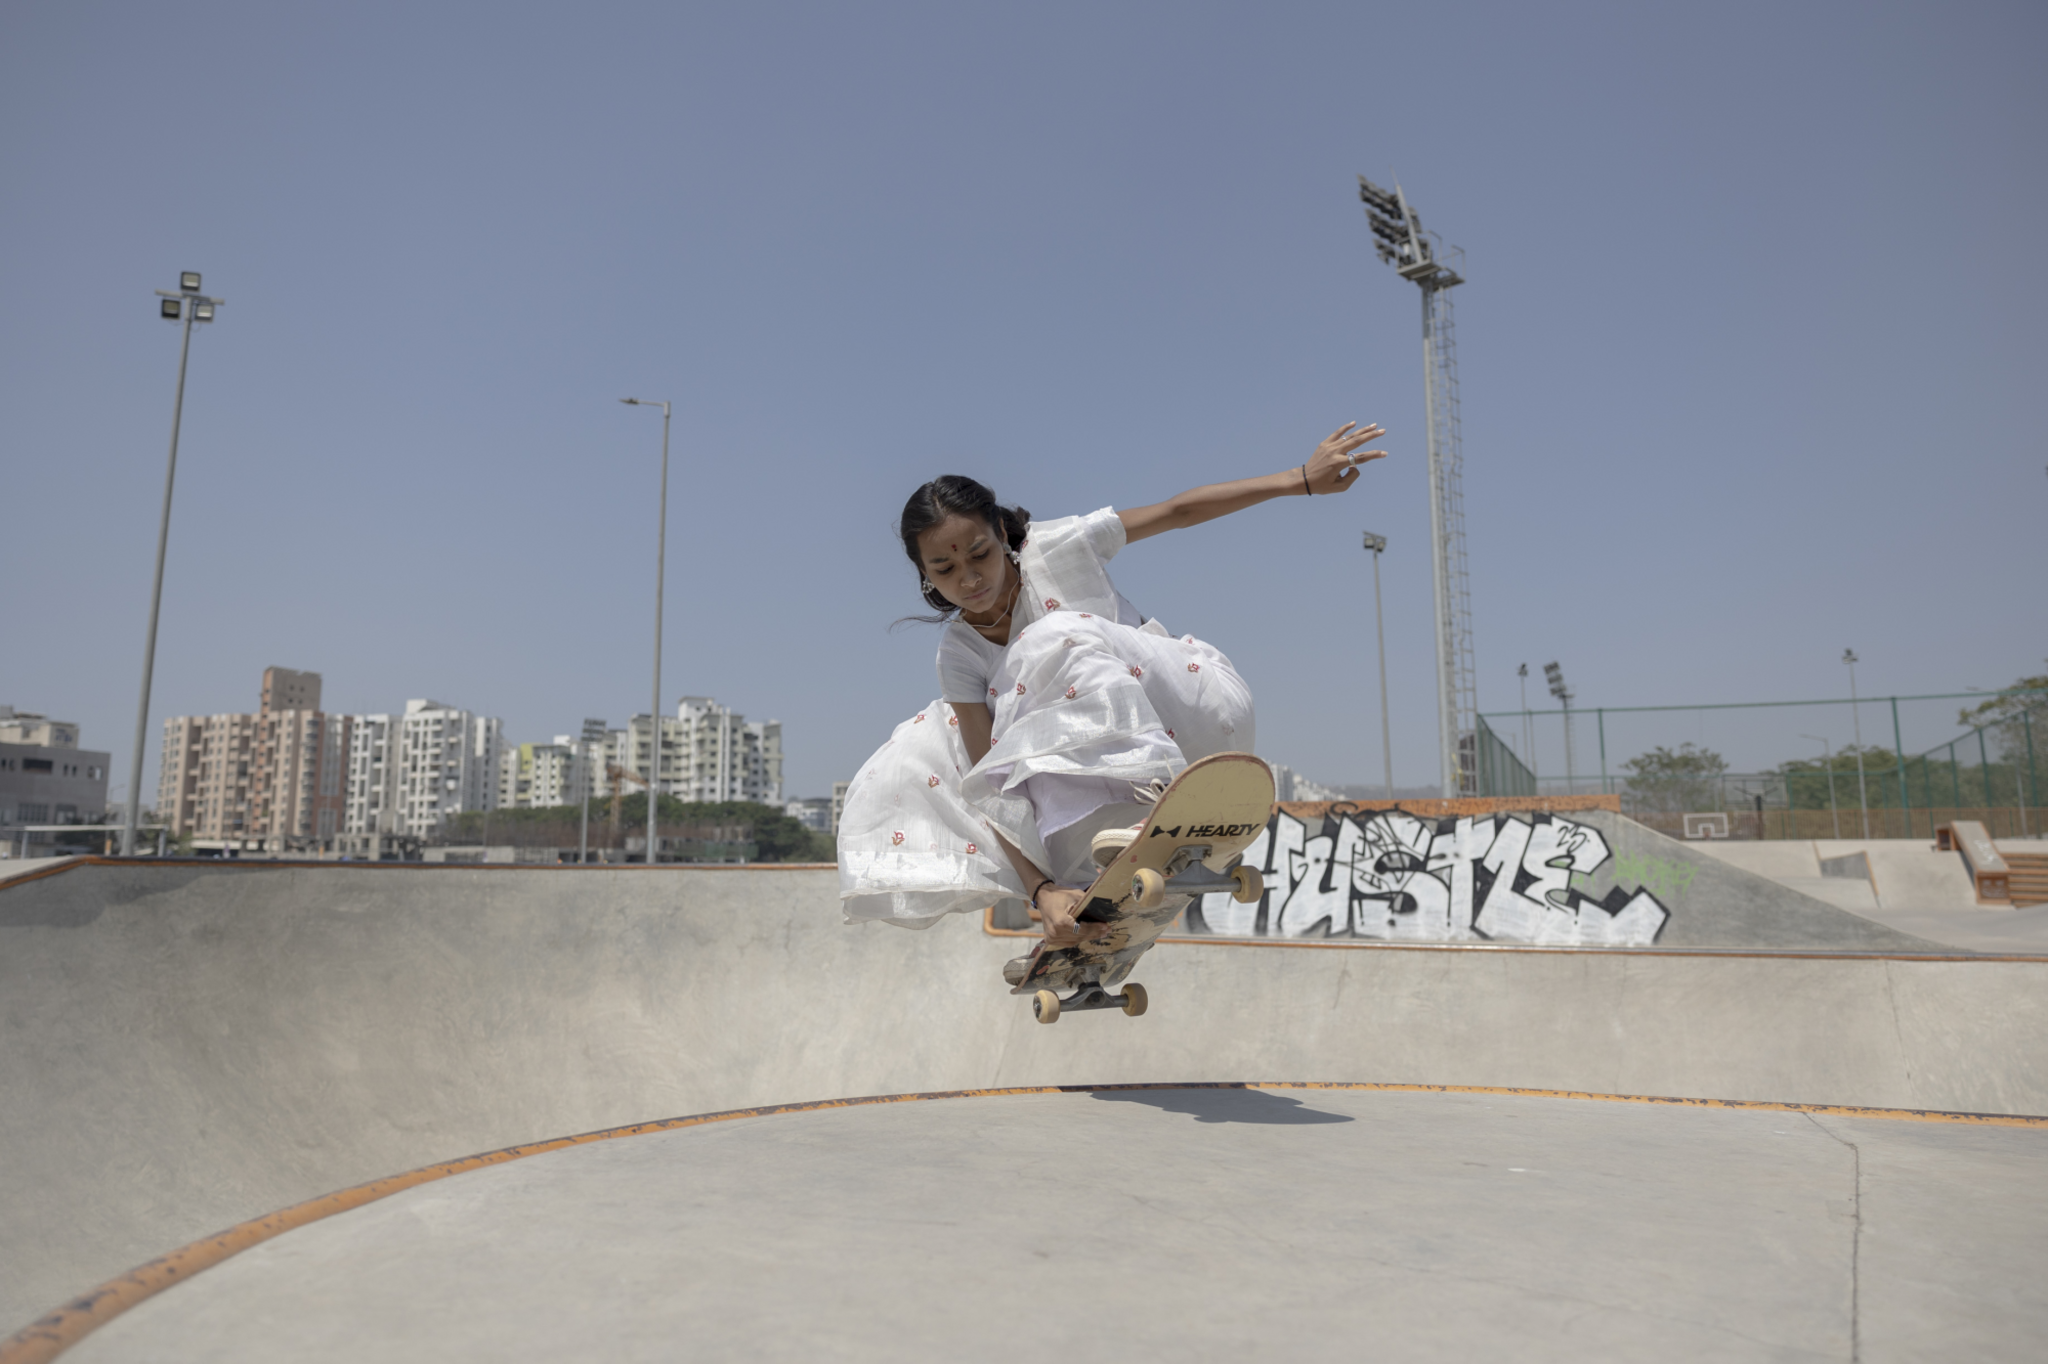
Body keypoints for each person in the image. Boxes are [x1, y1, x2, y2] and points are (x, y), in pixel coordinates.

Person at [837, 422, 1387, 950]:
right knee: (928, 746)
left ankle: (1156, 794)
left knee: (1050, 637)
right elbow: (990, 788)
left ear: (1002, 534)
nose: (971, 579)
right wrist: (1041, 891)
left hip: (1196, 712)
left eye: (979, 553)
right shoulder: (958, 654)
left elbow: (1177, 510)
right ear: (925, 576)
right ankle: (1092, 855)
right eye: (945, 569)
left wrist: (1300, 478)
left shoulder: (1057, 548)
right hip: (1107, 794)